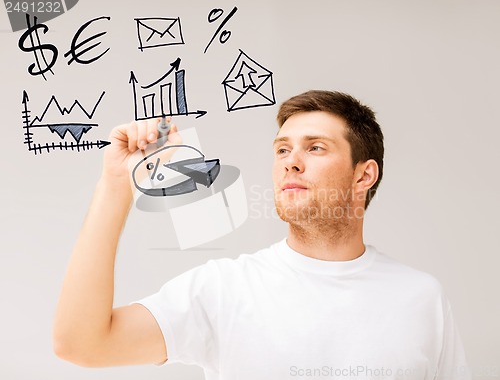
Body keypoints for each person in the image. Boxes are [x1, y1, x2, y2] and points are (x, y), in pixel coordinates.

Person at [53, 90, 471, 380]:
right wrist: (115, 184)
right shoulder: (224, 289)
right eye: (282, 149)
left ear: (364, 174)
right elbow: (82, 343)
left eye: (316, 147)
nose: (291, 162)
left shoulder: (421, 298)